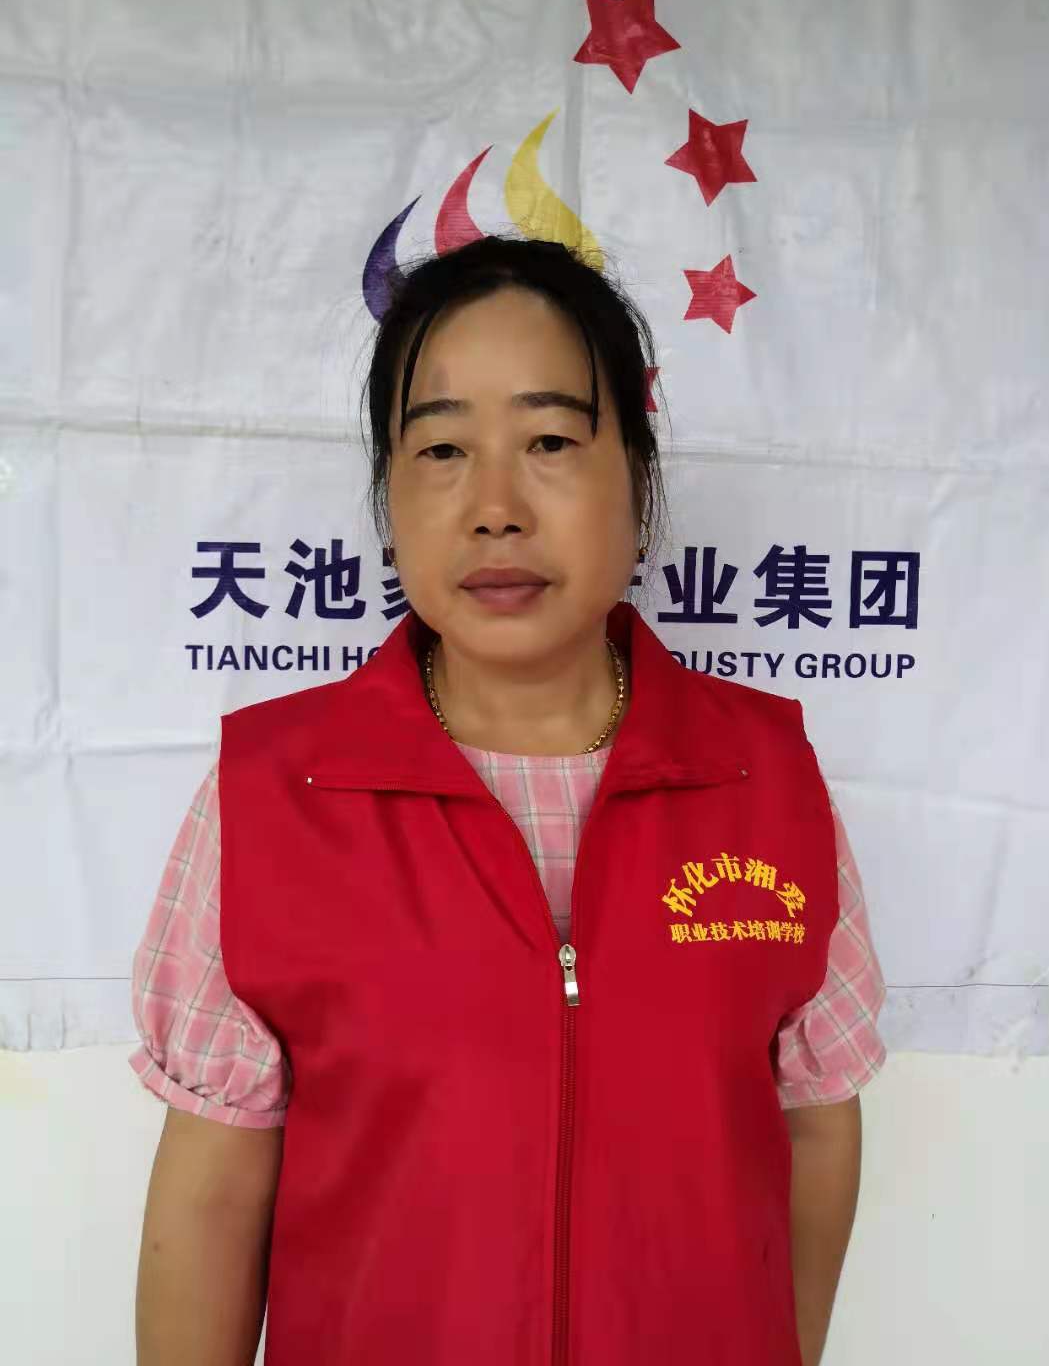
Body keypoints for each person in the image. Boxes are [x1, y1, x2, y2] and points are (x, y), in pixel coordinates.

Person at [130, 235, 887, 1366]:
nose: (494, 507)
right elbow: (210, 1196)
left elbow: (816, 1134)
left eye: (549, 442)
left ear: (638, 481)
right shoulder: (276, 794)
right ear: (390, 494)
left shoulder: (764, 778)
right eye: (441, 448)